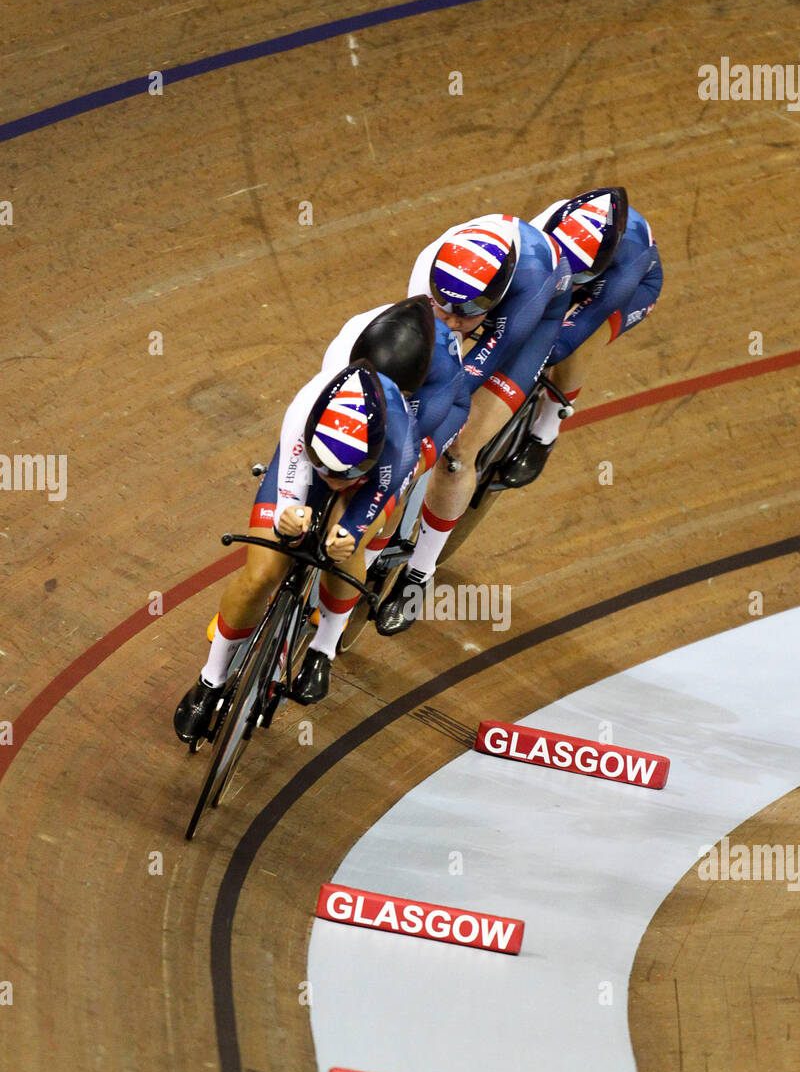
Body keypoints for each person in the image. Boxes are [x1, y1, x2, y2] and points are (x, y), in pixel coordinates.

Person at [173, 298, 442, 741]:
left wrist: (350, 530)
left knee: (343, 549)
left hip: (369, 484)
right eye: (332, 472)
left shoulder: (399, 441)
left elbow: (375, 494)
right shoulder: (305, 409)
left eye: (345, 474)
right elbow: (290, 482)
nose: (336, 481)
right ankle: (210, 679)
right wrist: (288, 514)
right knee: (261, 573)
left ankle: (323, 648)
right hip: (301, 468)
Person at [374, 213, 572, 635]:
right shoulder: (431, 271)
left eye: (465, 315)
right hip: (482, 299)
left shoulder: (528, 287)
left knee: (458, 453)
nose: (450, 321)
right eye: (442, 307)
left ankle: (419, 574)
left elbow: (470, 376)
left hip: (530, 324)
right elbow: (427, 349)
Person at [499, 187, 663, 486]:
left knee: (577, 345)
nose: (573, 285)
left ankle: (546, 430)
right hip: (560, 268)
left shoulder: (626, 267)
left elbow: (564, 343)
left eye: (580, 279)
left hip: (630, 288)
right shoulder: (542, 229)